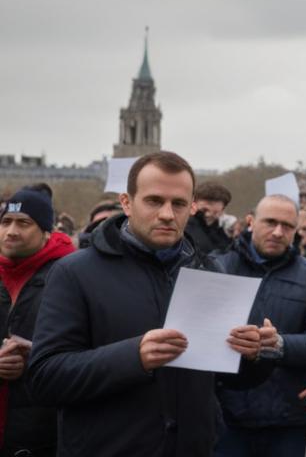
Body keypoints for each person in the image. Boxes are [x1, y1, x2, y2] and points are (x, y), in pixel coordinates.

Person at [27, 151, 269, 456]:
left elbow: (226, 380)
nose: (167, 213)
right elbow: (44, 378)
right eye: (154, 201)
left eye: (178, 203)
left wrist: (254, 353)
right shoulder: (73, 272)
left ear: (192, 206)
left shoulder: (210, 271)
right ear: (126, 202)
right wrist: (133, 356)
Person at [213, 194, 306, 457]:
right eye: (270, 222)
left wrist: (279, 344)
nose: (278, 232)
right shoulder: (218, 266)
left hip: (286, 417)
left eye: (288, 226)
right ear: (251, 221)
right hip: (227, 415)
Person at [0, 188, 76, 457]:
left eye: (23, 223)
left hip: (44, 432)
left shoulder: (71, 277)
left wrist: (34, 357)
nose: (11, 231)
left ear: (46, 231)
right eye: (6, 221)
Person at [185, 181, 234, 256]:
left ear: (222, 210)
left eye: (215, 212)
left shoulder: (224, 236)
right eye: (204, 210)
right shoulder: (183, 231)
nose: (208, 214)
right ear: (193, 204)